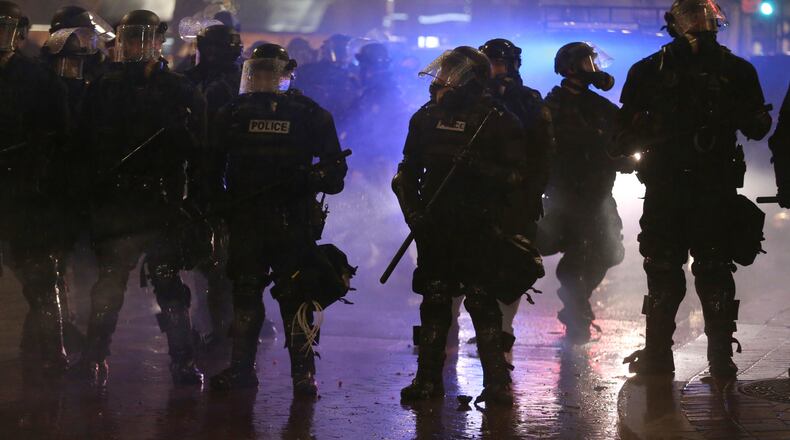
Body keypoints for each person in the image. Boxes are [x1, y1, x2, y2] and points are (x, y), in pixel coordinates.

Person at [614, 0, 772, 377]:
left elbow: (757, 126)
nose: (700, 25)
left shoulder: (657, 69)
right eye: (694, 18)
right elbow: (622, 133)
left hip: (694, 187)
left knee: (691, 269)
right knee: (681, 269)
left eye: (704, 17)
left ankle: (695, 356)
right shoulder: (726, 69)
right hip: (689, 187)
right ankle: (689, 356)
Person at [394, 46, 543, 406]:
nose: (444, 81)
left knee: (481, 300)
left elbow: (517, 177)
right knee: (435, 300)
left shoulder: (498, 120)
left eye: (453, 74)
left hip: (478, 223)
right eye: (444, 73)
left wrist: (479, 166)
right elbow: (406, 172)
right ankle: (427, 380)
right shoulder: (426, 117)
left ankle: (496, 383)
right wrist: (413, 213)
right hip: (435, 222)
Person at [73, 10, 207, 387]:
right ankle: (95, 355)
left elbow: (202, 151)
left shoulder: (179, 89)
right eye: (129, 38)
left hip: (162, 200)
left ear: (157, 42)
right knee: (109, 282)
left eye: (142, 37)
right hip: (117, 201)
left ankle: (182, 360)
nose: (135, 45)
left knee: (167, 281)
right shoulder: (104, 87)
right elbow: (83, 143)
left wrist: (195, 199)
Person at [209, 44, 352, 395]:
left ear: (285, 74)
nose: (263, 78)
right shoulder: (232, 113)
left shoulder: (309, 114)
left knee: (295, 295)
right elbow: (209, 166)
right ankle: (241, 370)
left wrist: (309, 180)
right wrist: (219, 203)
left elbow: (335, 174)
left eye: (270, 72)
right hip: (246, 218)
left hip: (292, 218)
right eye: (257, 72)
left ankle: (304, 374)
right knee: (245, 293)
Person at [538, 42, 632, 342]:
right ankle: (576, 308)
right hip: (564, 196)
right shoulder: (551, 107)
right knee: (577, 253)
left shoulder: (601, 108)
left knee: (610, 251)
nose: (594, 69)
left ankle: (576, 301)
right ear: (570, 68)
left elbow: (623, 140)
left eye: (594, 62)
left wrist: (626, 156)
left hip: (598, 196)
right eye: (587, 63)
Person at [0, 0, 71, 376]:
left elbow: (60, 141)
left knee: (41, 280)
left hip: (24, 192)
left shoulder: (39, 80)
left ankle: (54, 353)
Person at [477, 37, 553, 349]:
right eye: (490, 64)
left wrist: (532, 191)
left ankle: (504, 330)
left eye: (499, 64)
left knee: (513, 265)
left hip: (516, 195)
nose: (495, 70)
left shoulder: (528, 101)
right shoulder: (473, 98)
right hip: (478, 194)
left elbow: (543, 152)